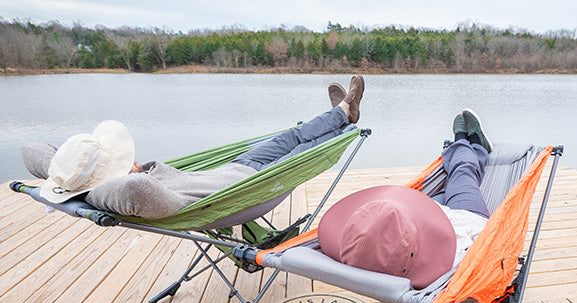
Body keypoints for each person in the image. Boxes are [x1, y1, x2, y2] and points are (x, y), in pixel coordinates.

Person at [21, 76, 365, 219]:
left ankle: (340, 113)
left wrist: (64, 175)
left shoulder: (84, 180)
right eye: (123, 161)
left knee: (290, 135)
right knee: (307, 148)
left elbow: (31, 151)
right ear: (110, 180)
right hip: (249, 189)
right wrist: (99, 184)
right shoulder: (137, 192)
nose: (134, 161)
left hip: (235, 168)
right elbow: (133, 186)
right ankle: (343, 124)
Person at [318, 109, 492, 289]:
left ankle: (464, 146)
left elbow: (374, 235)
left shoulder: (361, 252)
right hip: (463, 220)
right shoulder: (458, 260)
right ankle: (471, 144)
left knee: (446, 185)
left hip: (420, 225)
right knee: (463, 173)